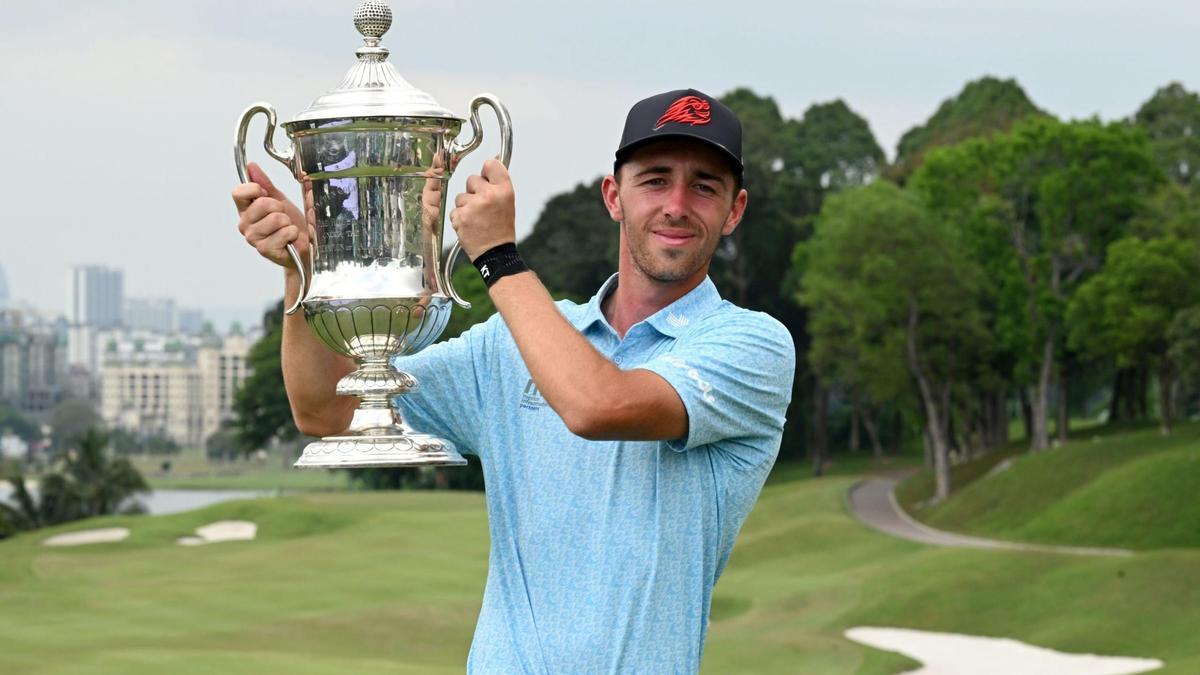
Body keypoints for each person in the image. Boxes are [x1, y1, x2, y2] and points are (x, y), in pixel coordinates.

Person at [232, 88, 795, 674]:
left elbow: (596, 406)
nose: (677, 204)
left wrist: (497, 256)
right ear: (614, 197)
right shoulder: (510, 345)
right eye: (654, 180)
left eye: (704, 186)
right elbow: (327, 412)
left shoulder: (752, 345)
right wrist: (304, 271)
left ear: (734, 210)